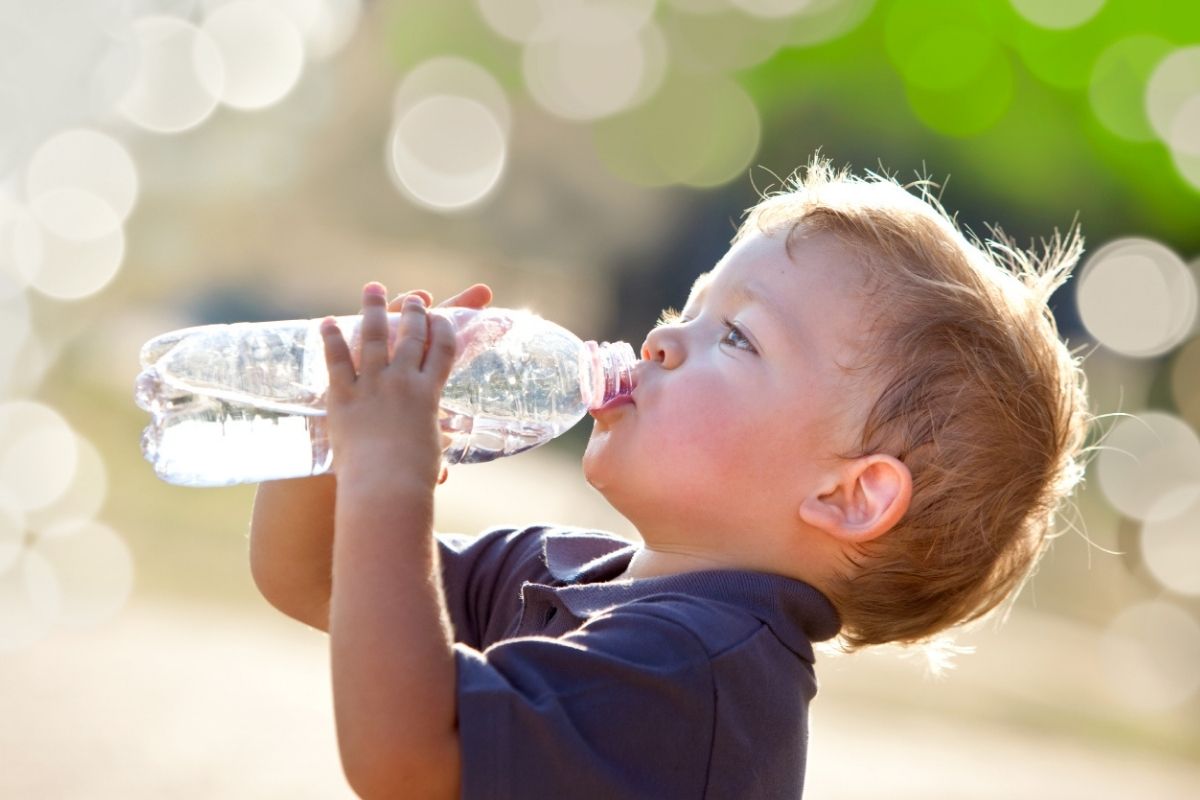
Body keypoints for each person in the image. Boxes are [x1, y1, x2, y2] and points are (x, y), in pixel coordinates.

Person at [248, 157, 1092, 799]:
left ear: (847, 494)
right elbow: (314, 572)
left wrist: (389, 479)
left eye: (737, 338)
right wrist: (332, 428)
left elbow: (405, 757)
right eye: (687, 308)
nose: (659, 341)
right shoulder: (569, 570)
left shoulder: (697, 674)